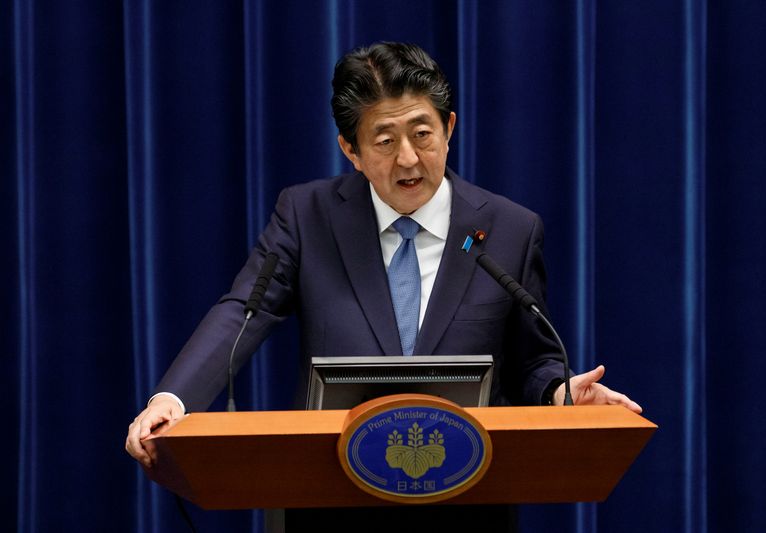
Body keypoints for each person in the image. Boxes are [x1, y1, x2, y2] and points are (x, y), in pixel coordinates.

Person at [126, 41, 641, 530]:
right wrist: (175, 397)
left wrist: (558, 391)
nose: (409, 160)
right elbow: (244, 310)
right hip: (329, 505)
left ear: (449, 128)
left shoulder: (510, 229)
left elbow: (533, 360)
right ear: (350, 150)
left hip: (467, 504)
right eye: (385, 141)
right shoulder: (308, 217)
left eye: (422, 134)